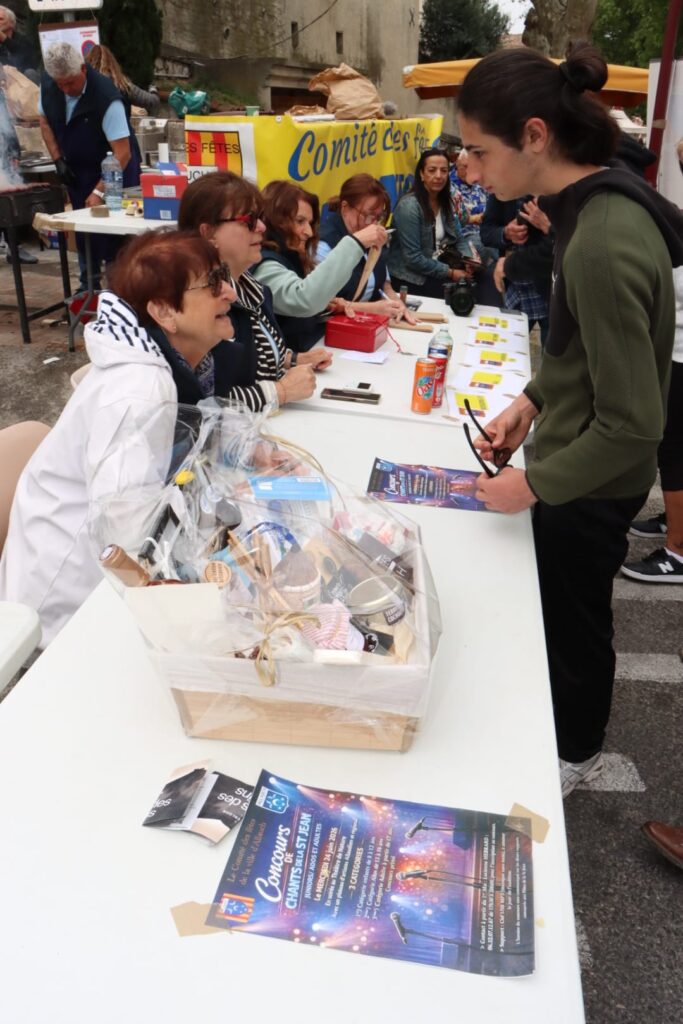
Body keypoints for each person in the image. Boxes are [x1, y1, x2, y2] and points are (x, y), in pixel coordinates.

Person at [457, 42, 683, 797]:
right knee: (556, 613)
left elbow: (635, 424)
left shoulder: (602, 239)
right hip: (573, 459)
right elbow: (577, 348)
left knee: (574, 624)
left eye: (478, 151)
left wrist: (531, 485)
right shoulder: (590, 205)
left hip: (590, 481)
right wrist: (530, 403)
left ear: (533, 135)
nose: (471, 171)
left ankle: (575, 749)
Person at [0, 231, 238, 646]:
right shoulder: (139, 390)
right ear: (164, 311)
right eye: (213, 283)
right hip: (63, 619)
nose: (230, 293)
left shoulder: (162, 365)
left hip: (91, 585)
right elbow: (125, 531)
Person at [178, 171, 323, 412]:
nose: (262, 227)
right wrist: (281, 391)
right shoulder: (197, 303)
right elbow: (203, 400)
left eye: (260, 218)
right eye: (248, 220)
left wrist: (292, 359)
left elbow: (255, 355)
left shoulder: (251, 288)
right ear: (208, 233)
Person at [38, 41, 141, 290]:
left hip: (115, 174)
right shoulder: (50, 86)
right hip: (79, 172)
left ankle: (121, 291)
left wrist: (99, 191)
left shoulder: (107, 98)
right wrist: (58, 159)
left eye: (71, 83)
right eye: (60, 84)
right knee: (85, 231)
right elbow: (44, 121)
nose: (65, 89)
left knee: (115, 238)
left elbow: (122, 153)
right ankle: (89, 288)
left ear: (83, 69)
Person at [251, 179, 395, 351]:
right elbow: (304, 300)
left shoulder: (291, 257)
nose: (309, 232)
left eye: (310, 223)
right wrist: (356, 243)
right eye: (300, 221)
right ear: (275, 221)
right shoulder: (265, 265)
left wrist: (329, 304)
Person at [622, 263, 683, 582]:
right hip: (672, 346)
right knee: (671, 445)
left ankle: (678, 552)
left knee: (674, 449)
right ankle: (674, 520)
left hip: (680, 350)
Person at [318, 173, 413, 318]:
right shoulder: (324, 244)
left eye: (378, 217)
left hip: (368, 321)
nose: (373, 223)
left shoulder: (371, 234)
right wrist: (373, 308)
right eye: (369, 215)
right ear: (345, 208)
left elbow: (384, 283)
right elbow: (323, 302)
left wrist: (395, 302)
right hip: (334, 325)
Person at [387, 148, 473, 299]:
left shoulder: (445, 201)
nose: (438, 176)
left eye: (444, 171)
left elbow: (459, 238)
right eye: (432, 170)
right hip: (412, 277)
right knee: (460, 296)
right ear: (421, 174)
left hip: (439, 266)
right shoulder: (409, 207)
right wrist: (451, 273)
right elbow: (413, 259)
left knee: (477, 283)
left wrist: (468, 260)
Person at [481, 193, 552, 339]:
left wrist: (549, 227)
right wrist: (506, 233)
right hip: (515, 289)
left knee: (554, 350)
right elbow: (486, 232)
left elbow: (570, 237)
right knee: (507, 345)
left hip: (550, 289)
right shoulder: (502, 190)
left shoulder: (555, 188)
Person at [86, 44, 160, 116]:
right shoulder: (123, 85)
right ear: (112, 63)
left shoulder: (84, 86)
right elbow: (153, 101)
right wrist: (152, 88)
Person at [0, 6, 39, 83]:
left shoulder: (23, 41)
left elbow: (24, 61)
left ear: (11, 23)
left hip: (22, 83)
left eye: (0, 19)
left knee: (31, 73)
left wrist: (3, 38)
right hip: (2, 83)